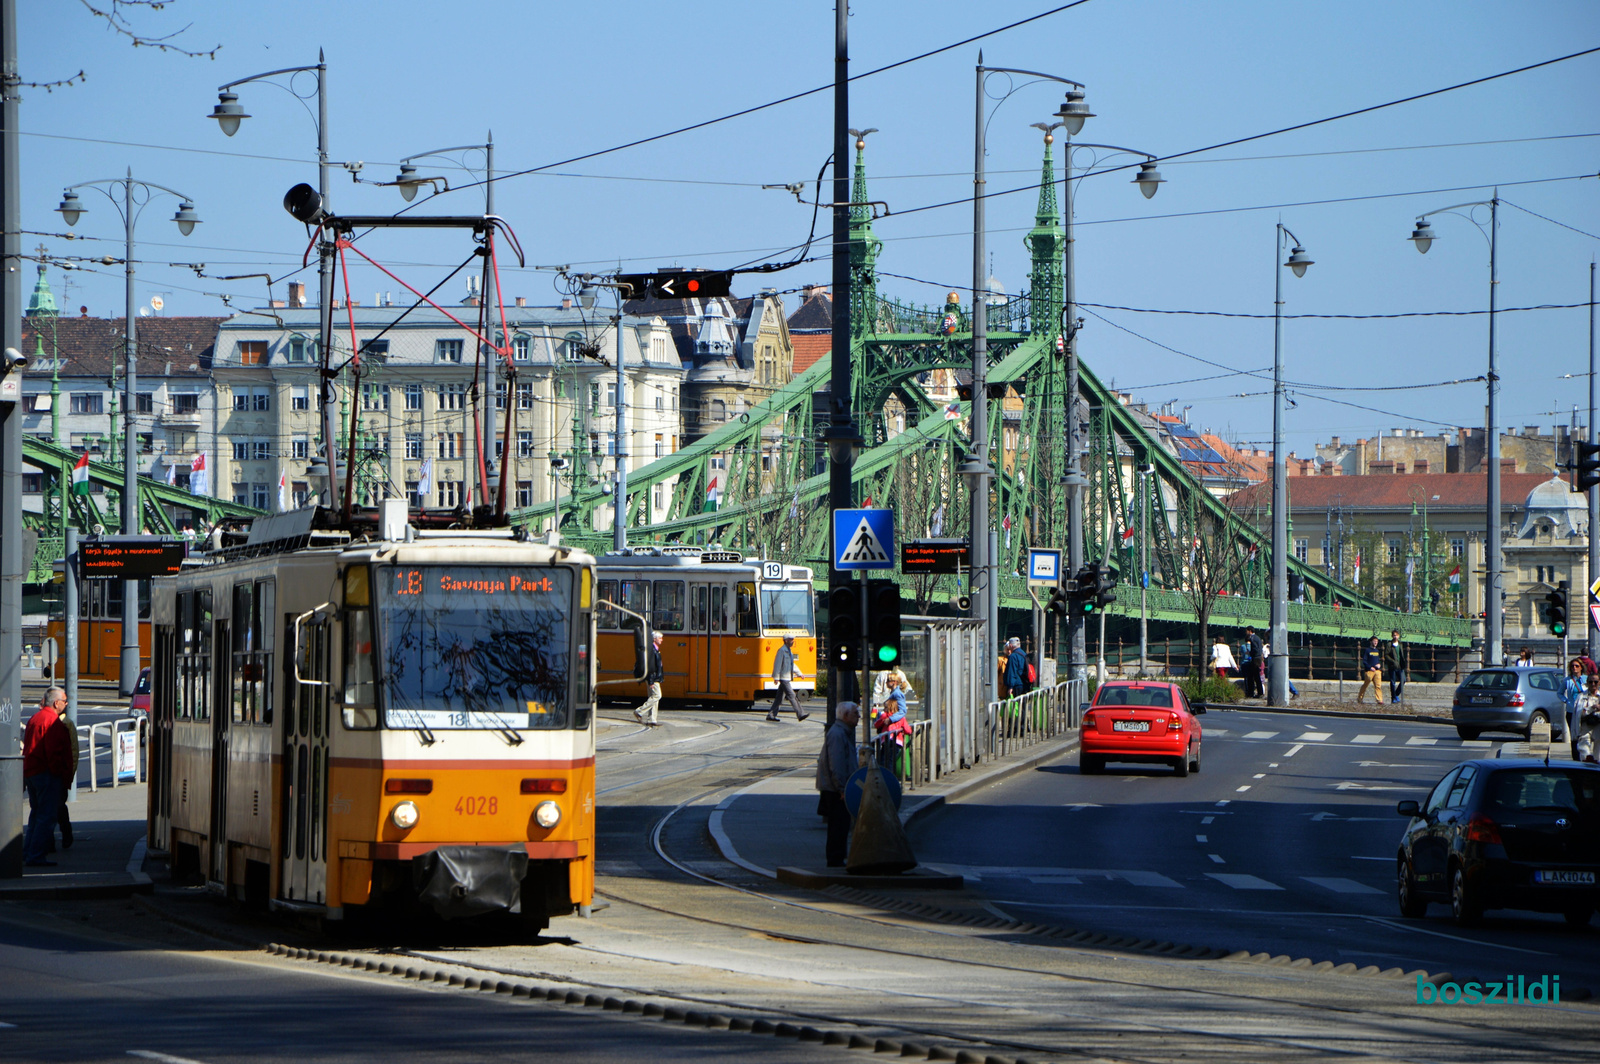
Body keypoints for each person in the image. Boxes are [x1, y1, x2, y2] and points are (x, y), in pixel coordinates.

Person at [22, 687, 73, 867]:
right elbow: (54, 753)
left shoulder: (35, 718)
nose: (66, 704)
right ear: (56, 702)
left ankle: (28, 852)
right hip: (46, 775)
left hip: (32, 772)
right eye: (64, 701)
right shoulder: (53, 722)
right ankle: (35, 855)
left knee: (36, 814)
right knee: (46, 816)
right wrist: (59, 775)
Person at [815, 701, 861, 867]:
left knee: (840, 824)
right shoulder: (838, 734)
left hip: (836, 787)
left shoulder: (841, 732)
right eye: (856, 713)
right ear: (846, 716)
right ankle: (835, 859)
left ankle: (838, 857)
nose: (859, 717)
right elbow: (837, 764)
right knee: (838, 825)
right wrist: (842, 788)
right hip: (836, 789)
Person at [52, 707, 79, 850]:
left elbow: (73, 749)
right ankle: (51, 840)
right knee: (53, 807)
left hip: (60, 773)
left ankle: (66, 834)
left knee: (58, 806)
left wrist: (70, 772)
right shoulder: (49, 720)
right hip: (53, 772)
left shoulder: (65, 723)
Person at [766, 634, 810, 722]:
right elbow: (777, 664)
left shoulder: (789, 651)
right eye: (791, 639)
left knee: (779, 698)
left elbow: (792, 665)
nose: (793, 641)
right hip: (783, 678)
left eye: (793, 639)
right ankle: (800, 714)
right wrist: (776, 677)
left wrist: (799, 673)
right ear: (786, 640)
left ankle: (771, 715)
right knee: (792, 695)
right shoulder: (782, 650)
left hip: (786, 677)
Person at [873, 674, 910, 767]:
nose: (886, 682)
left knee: (887, 759)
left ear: (894, 682)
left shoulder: (897, 694)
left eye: (889, 680)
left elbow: (902, 711)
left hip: (892, 733)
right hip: (892, 733)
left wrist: (890, 719)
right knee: (887, 758)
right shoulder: (894, 693)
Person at [633, 631, 664, 727]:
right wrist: (651, 681)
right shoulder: (652, 651)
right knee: (657, 696)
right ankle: (639, 711)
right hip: (653, 678)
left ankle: (652, 719)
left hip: (654, 678)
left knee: (654, 698)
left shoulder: (655, 650)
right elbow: (651, 667)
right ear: (654, 639)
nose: (662, 640)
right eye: (660, 638)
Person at [1563, 659, 1588, 751]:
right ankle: (1575, 756)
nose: (1574, 668)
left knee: (1583, 734)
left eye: (1577, 666)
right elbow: (1559, 693)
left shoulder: (1586, 679)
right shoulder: (1567, 680)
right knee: (1574, 734)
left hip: (1583, 710)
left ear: (1581, 667)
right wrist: (1566, 701)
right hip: (1571, 710)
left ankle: (1584, 753)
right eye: (1572, 666)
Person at [1574, 675, 1600, 764]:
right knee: (1584, 750)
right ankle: (1586, 767)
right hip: (1586, 726)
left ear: (1599, 682)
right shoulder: (1581, 696)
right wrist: (1591, 708)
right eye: (1590, 682)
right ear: (1587, 683)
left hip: (1598, 726)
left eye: (1595, 682)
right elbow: (1579, 713)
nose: (1593, 684)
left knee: (1598, 754)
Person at [1356, 636, 1385, 704]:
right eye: (1374, 641)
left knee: (1378, 686)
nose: (1376, 642)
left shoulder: (1377, 651)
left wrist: (1379, 665)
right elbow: (1364, 661)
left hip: (1377, 671)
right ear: (1371, 642)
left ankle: (1379, 700)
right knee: (1365, 684)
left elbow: (1377, 660)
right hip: (1369, 671)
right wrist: (1370, 667)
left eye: (1377, 641)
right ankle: (1360, 698)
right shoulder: (1367, 650)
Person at [1383, 630, 1409, 706]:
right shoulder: (1389, 644)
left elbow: (1401, 655)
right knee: (1393, 682)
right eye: (1394, 635)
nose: (1395, 636)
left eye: (1396, 635)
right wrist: (1392, 661)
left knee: (1403, 680)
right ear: (1392, 636)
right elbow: (1386, 655)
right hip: (1392, 666)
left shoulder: (1400, 644)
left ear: (1398, 636)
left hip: (1400, 666)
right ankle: (1393, 698)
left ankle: (1396, 694)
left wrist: (1403, 663)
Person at [1243, 627, 1265, 698]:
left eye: (1247, 631)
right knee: (1256, 676)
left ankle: (1251, 693)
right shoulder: (1257, 638)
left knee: (1251, 676)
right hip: (1258, 658)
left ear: (1250, 631)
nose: (1246, 632)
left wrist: (1250, 653)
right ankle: (1259, 692)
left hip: (1255, 659)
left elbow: (1255, 649)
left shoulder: (1252, 638)